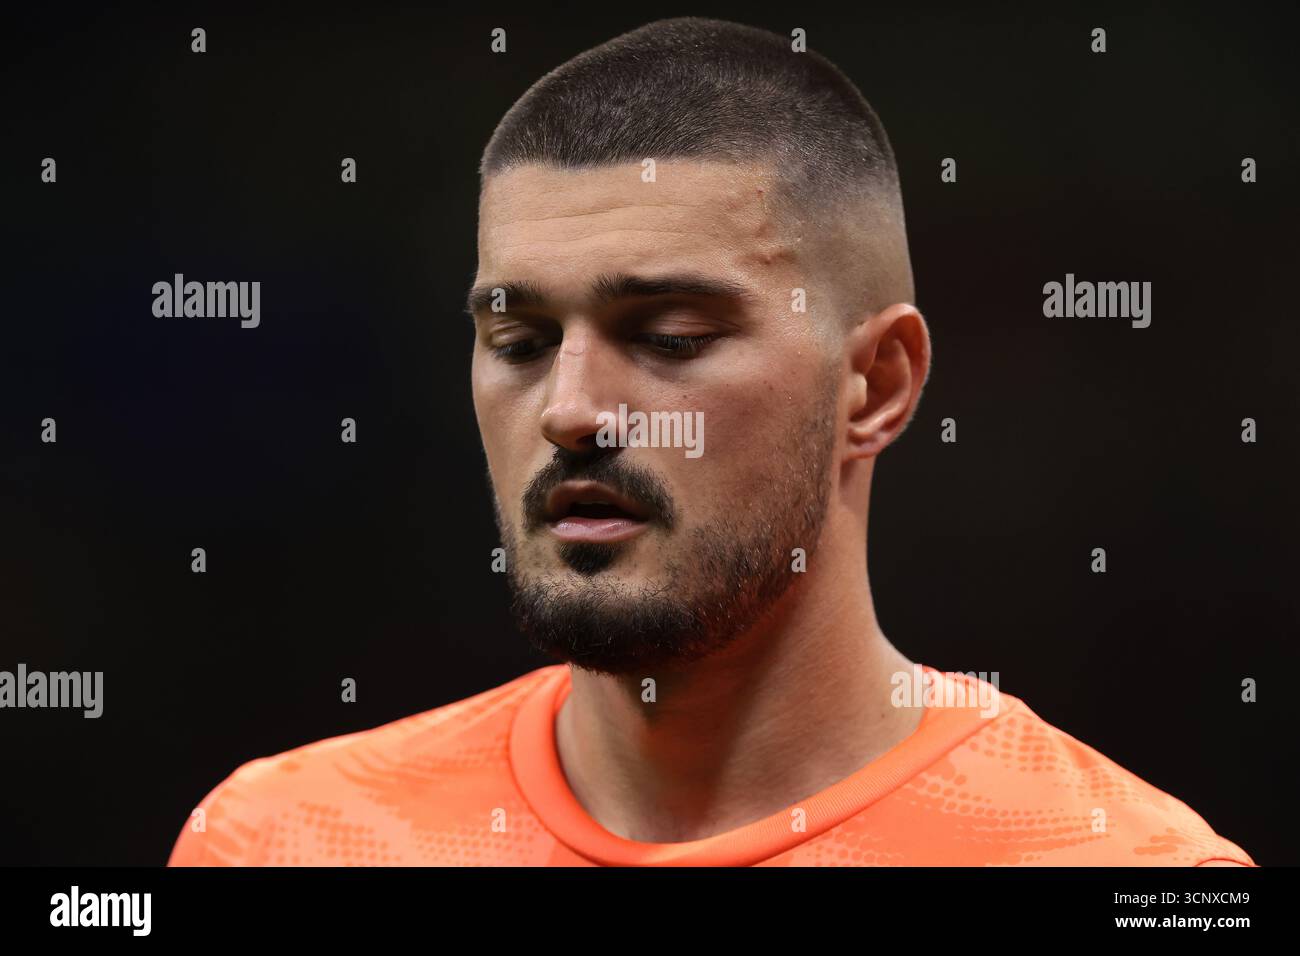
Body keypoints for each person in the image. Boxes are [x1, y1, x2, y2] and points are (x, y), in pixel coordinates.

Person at [168, 16, 1254, 867]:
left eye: (671, 336)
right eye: (519, 336)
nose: (571, 409)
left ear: (874, 385)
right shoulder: (281, 839)